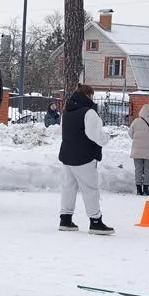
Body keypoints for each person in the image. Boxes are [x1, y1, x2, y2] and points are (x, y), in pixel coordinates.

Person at [56, 83, 114, 234]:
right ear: (88, 95)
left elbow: (64, 131)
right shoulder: (89, 113)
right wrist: (106, 137)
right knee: (90, 189)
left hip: (67, 155)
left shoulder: (66, 112)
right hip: (84, 156)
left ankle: (65, 219)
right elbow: (94, 135)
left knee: (68, 188)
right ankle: (95, 221)